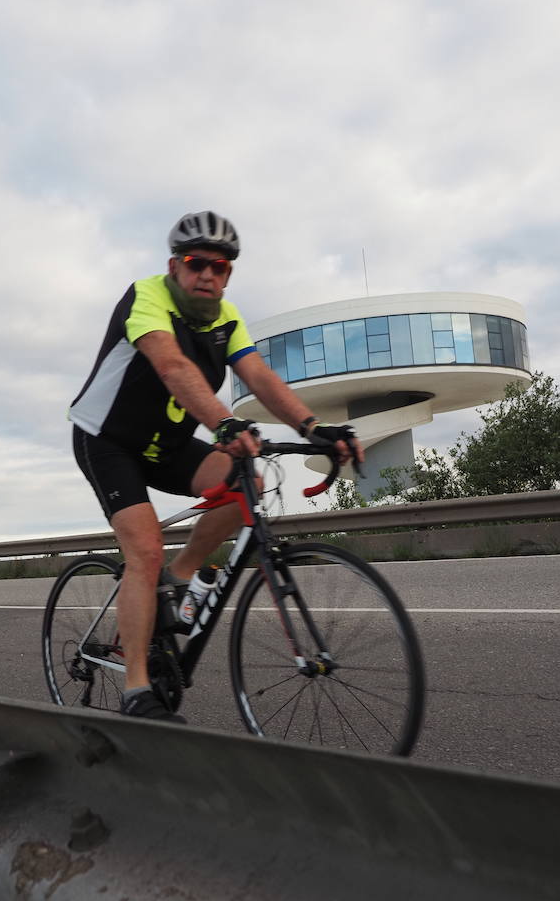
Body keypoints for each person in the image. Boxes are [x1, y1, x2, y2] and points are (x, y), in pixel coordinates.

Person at [69, 210, 365, 721]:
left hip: (167, 443)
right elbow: (172, 365)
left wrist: (313, 428)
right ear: (175, 267)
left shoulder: (226, 318)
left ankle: (180, 576)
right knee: (143, 549)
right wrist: (226, 425)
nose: (209, 273)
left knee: (243, 481)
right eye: (196, 262)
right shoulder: (147, 297)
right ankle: (137, 688)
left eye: (221, 266)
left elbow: (260, 377)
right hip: (108, 440)